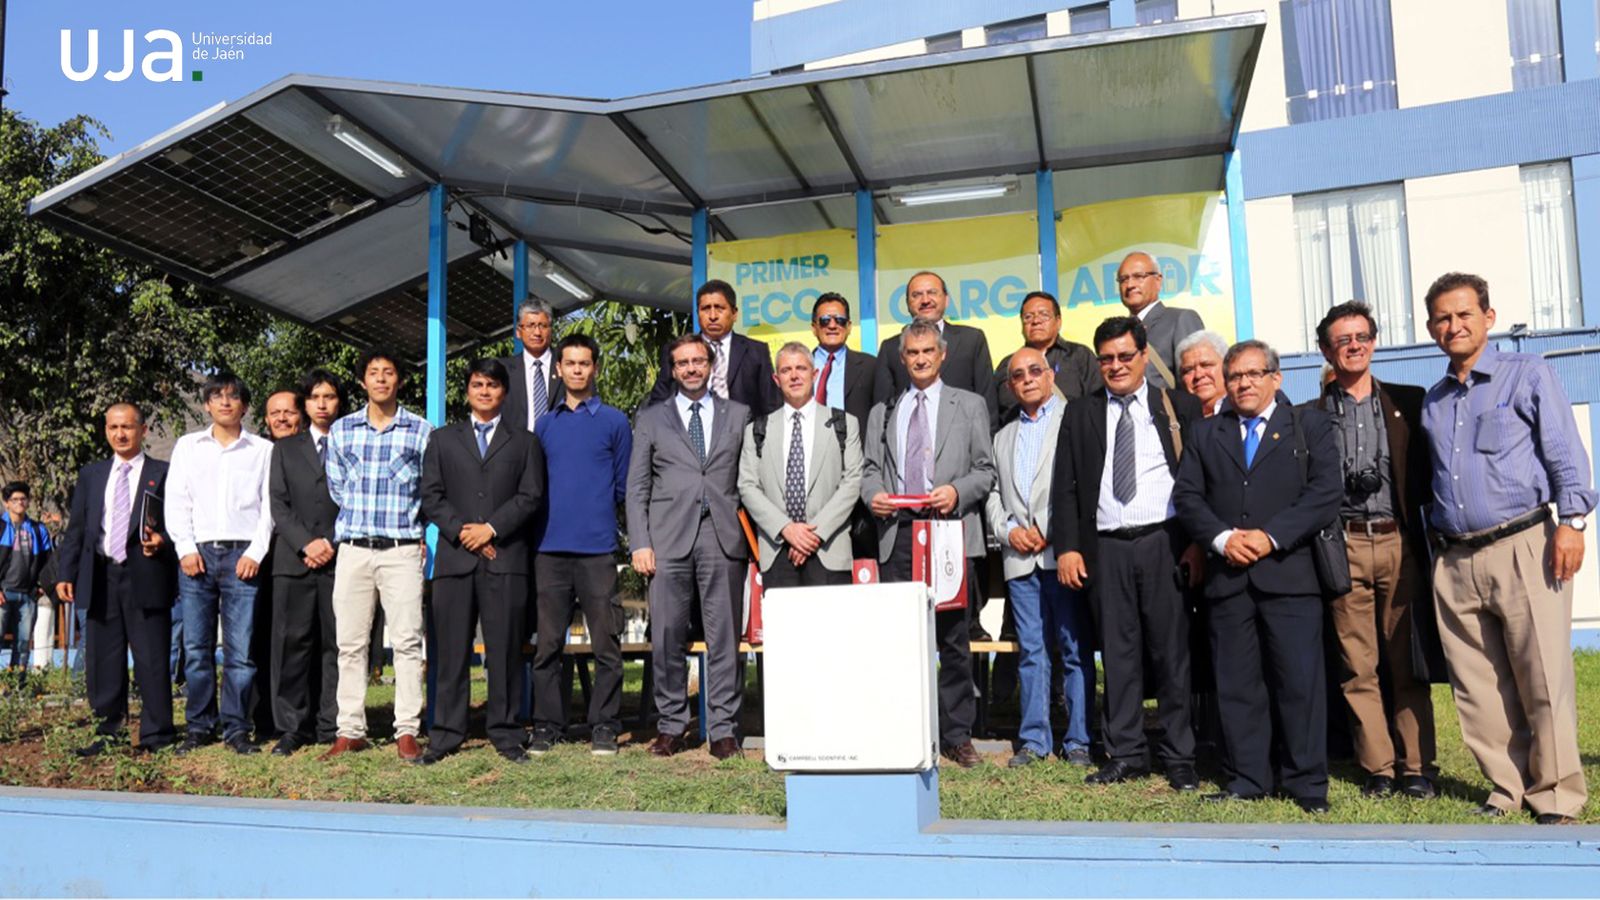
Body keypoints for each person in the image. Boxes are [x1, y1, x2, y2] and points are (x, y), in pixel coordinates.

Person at [1421, 272, 1594, 825]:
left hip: (1525, 546)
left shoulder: (1528, 373)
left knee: (1542, 676)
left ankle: (1558, 794)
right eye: (1443, 318)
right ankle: (1507, 785)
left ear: (1488, 318)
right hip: (1454, 558)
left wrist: (1573, 523)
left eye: (1464, 314)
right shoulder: (1434, 401)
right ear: (1430, 329)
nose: (1454, 325)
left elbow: (1564, 451)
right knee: (1477, 687)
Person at [1172, 339, 1342, 813]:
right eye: (1235, 376)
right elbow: (1188, 497)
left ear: (1275, 378)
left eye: (1253, 374)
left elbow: (1325, 492)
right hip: (1228, 579)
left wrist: (1271, 537)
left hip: (1289, 574)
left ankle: (1307, 781)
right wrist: (1222, 538)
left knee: (1299, 681)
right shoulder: (1208, 434)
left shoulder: (1308, 425)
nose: (1243, 383)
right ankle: (1248, 776)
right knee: (1237, 682)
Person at [1051, 317, 1203, 790]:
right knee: (1116, 656)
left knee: (1172, 653)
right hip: (1107, 549)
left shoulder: (1178, 405)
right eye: (1107, 358)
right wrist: (1068, 549)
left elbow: (1198, 482)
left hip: (1165, 543)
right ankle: (1128, 753)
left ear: (1143, 357)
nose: (1115, 366)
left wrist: (1197, 542)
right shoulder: (1081, 412)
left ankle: (1180, 757)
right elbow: (1067, 487)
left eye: (1124, 356)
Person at [1311, 301, 1443, 800]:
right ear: (1326, 349)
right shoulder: (1311, 416)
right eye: (1342, 340)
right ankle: (1379, 769)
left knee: (1406, 659)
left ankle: (1417, 766)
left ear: (1374, 341)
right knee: (1357, 664)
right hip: (1343, 544)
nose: (1353, 346)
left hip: (1398, 542)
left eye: (1361, 336)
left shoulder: (1410, 402)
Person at [862, 320, 995, 768]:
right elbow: (868, 471)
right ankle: (905, 731)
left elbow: (985, 470)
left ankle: (957, 734)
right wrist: (872, 496)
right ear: (902, 358)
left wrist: (957, 491)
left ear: (942, 356)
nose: (919, 360)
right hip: (897, 533)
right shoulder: (884, 411)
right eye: (912, 353)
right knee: (900, 640)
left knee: (952, 639)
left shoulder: (971, 405)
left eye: (927, 352)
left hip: (947, 533)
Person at [628, 333, 751, 760]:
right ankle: (672, 725)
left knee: (724, 639)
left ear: (711, 364)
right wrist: (640, 542)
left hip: (722, 537)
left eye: (699, 361)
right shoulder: (651, 418)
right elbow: (637, 485)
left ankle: (723, 729)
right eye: (683, 363)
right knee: (666, 637)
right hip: (666, 540)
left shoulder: (738, 414)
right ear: (673, 369)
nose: (691, 369)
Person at [421, 359, 544, 765]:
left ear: (504, 392)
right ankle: (445, 734)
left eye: (492, 385)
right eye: (477, 384)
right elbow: (432, 496)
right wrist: (464, 532)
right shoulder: (442, 440)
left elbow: (530, 497)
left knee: (505, 650)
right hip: (455, 561)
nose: (485, 391)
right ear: (468, 391)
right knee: (451, 651)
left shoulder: (524, 441)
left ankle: (506, 732)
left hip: (505, 557)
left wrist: (490, 529)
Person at [322, 348, 433, 762]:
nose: (382, 379)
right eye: (374, 373)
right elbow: (337, 489)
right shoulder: (343, 431)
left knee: (406, 642)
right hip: (353, 549)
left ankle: (407, 730)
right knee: (349, 643)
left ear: (399, 380)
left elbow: (428, 489)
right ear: (363, 381)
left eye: (389, 373)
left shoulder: (421, 431)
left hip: (402, 549)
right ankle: (350, 730)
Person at [984, 348, 1092, 768]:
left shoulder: (1075, 419)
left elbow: (1082, 485)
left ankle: (1079, 739)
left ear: (1051, 375)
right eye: (1018, 375)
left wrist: (1054, 532)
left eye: (1035, 370)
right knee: (1031, 650)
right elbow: (994, 494)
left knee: (1072, 648)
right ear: (1011, 385)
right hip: (1019, 557)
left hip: (1060, 553)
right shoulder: (1003, 435)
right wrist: (1008, 529)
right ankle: (1033, 740)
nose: (1027, 379)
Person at [55, 403, 178, 755]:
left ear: (143, 430)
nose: (120, 434)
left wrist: (163, 541)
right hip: (100, 575)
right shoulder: (92, 475)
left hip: (147, 573)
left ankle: (157, 734)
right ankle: (109, 731)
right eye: (113, 428)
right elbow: (77, 529)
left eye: (127, 427)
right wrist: (67, 572)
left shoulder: (163, 472)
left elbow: (179, 521)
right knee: (103, 659)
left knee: (152, 657)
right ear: (106, 431)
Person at [530, 333, 632, 756]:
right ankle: (547, 725)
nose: (576, 369)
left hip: (598, 551)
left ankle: (604, 725)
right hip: (550, 550)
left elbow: (624, 486)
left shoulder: (614, 421)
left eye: (584, 363)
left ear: (595, 368)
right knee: (548, 645)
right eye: (569, 363)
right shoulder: (545, 423)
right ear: (558, 369)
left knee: (606, 644)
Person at [166, 373, 274, 756]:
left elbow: (269, 508)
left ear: (244, 406)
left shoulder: (262, 449)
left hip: (242, 555)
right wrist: (184, 547)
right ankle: (199, 726)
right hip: (196, 555)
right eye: (217, 396)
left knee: (240, 652)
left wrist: (255, 552)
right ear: (207, 404)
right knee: (196, 648)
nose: (225, 403)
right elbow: (176, 500)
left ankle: (236, 728)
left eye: (233, 397)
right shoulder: (187, 446)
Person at [266, 370, 346, 755]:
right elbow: (278, 505)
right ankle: (292, 726)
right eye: (315, 397)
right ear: (305, 404)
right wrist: (306, 544)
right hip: (293, 560)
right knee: (292, 643)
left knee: (336, 643)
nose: (322, 404)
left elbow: (358, 499)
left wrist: (329, 541)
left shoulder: (351, 442)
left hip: (339, 558)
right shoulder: (284, 449)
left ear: (338, 402)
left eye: (329, 397)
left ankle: (331, 723)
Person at [738, 342, 863, 587]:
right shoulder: (757, 430)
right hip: (778, 553)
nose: (794, 376)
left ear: (814, 374)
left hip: (829, 551)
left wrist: (813, 534)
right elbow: (748, 486)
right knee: (783, 627)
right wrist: (787, 529)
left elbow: (852, 482)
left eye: (801, 368)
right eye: (786, 370)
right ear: (776, 378)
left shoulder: (844, 424)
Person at [873, 271, 1000, 431]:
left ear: (946, 300)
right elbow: (882, 411)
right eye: (917, 295)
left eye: (932, 293)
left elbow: (987, 401)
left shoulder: (972, 340)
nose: (925, 300)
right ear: (907, 303)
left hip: (962, 447)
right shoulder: (890, 347)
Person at [646, 280, 778, 418]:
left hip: (743, 434)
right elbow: (658, 403)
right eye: (706, 309)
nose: (713, 316)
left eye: (720, 308)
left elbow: (771, 406)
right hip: (691, 433)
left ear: (734, 313)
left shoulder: (756, 351)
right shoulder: (677, 351)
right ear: (698, 314)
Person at [252, 389, 302, 740]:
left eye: (289, 411)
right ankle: (263, 717)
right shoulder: (256, 452)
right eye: (274, 413)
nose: (282, 418)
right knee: (260, 639)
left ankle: (302, 717)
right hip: (256, 557)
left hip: (299, 555)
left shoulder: (316, 451)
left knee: (296, 640)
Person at [994, 291, 1101, 422]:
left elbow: (1098, 404)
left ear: (1058, 321)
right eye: (1028, 317)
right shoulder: (1008, 365)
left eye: (1044, 315)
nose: (1036, 321)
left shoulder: (1080, 356)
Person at [1116, 252, 1204, 390]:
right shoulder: (1118, 333)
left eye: (1139, 277)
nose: (1130, 285)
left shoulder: (1180, 319)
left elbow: (1195, 381)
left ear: (1158, 281)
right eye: (1123, 279)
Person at [1, 482, 53, 674]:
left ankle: (17, 684)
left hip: (27, 595)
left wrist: (41, 586)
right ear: (6, 503)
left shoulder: (38, 529)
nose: (20, 503)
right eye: (14, 499)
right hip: (3, 593)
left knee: (23, 643)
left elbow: (48, 562)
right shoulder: (1, 526)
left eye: (23, 499)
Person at [810, 292, 878, 438]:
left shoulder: (870, 366)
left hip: (854, 454)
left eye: (840, 320)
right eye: (825, 320)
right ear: (814, 327)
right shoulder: (798, 368)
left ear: (849, 327)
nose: (832, 326)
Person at [499, 300, 564, 434]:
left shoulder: (568, 365)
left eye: (543, 326)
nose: (537, 332)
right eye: (530, 325)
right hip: (516, 450)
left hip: (560, 449)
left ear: (551, 330)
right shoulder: (502, 370)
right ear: (518, 332)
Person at [1176, 331, 1229, 417]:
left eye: (1206, 365)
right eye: (1189, 370)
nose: (1198, 375)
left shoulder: (1244, 415)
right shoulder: (1177, 421)